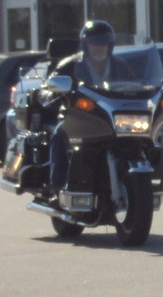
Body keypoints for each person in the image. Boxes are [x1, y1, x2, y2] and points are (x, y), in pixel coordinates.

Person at [48, 20, 135, 193]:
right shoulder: (70, 65)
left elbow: (134, 87)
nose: (98, 48)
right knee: (60, 134)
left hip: (111, 117)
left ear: (110, 45)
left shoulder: (121, 66)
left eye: (103, 43)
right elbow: (50, 88)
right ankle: (57, 185)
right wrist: (56, 92)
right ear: (85, 45)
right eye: (94, 43)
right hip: (78, 116)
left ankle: (139, 177)